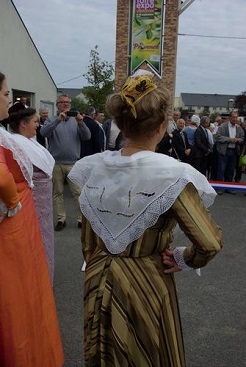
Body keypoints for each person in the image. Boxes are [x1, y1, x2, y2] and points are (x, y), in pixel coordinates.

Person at [68, 69, 222, 367]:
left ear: (120, 123)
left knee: (104, 353)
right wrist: (183, 258)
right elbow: (209, 242)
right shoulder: (173, 174)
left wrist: (100, 261)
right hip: (146, 280)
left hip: (99, 276)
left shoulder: (92, 168)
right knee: (145, 354)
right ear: (163, 126)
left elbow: (88, 240)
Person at [0, 72, 64, 366]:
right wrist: (13, 201)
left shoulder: (17, 140)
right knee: (16, 300)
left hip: (29, 217)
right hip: (17, 222)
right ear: (23, 124)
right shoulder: (10, 141)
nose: (7, 98)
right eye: (4, 93)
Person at [9, 108, 56, 283]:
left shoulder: (31, 141)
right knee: (35, 241)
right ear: (23, 123)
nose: (38, 125)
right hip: (32, 202)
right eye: (35, 122)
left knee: (45, 239)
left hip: (43, 202)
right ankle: (38, 280)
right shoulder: (15, 143)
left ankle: (43, 278)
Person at [40, 93, 91, 230]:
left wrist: (81, 123)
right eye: (62, 102)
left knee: (78, 193)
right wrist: (58, 120)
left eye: (67, 102)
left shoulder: (76, 120)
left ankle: (81, 219)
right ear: (57, 105)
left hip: (73, 163)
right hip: (56, 162)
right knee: (58, 193)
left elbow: (87, 136)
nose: (65, 104)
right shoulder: (51, 120)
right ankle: (61, 219)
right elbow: (43, 133)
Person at [215, 111, 244, 195]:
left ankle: (228, 187)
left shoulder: (239, 128)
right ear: (230, 118)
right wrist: (229, 139)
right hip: (224, 151)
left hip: (234, 151)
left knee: (230, 170)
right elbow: (217, 137)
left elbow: (242, 138)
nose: (235, 119)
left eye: (236, 117)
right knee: (221, 169)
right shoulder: (223, 126)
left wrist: (237, 140)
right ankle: (220, 188)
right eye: (233, 117)